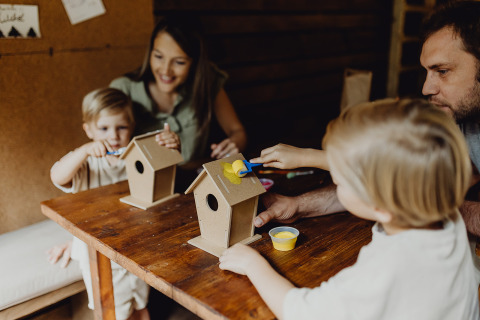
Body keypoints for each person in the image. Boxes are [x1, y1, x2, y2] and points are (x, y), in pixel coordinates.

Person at [220, 98, 479, 320]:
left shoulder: (384, 270)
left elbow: (302, 313)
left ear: (381, 204)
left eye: (341, 179)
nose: (334, 180)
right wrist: (310, 157)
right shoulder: (446, 215)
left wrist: (254, 264)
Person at [251, 1, 480, 237]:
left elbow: (396, 182)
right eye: (427, 72)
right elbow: (386, 180)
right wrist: (298, 206)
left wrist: (312, 157)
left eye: (442, 71)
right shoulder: (457, 119)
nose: (426, 88)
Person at [47, 88, 151, 320]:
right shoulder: (86, 163)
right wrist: (84, 151)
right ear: (89, 130)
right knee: (113, 308)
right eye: (104, 129)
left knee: (140, 301)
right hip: (99, 249)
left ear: (131, 127)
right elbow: (57, 176)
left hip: (132, 242)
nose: (113, 135)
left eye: (121, 127)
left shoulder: (135, 158)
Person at [110, 14, 247, 163]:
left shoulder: (208, 81)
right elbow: (109, 150)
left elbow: (237, 132)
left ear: (194, 63)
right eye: (158, 56)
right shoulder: (123, 89)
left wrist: (234, 144)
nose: (166, 70)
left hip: (192, 179)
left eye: (179, 62)